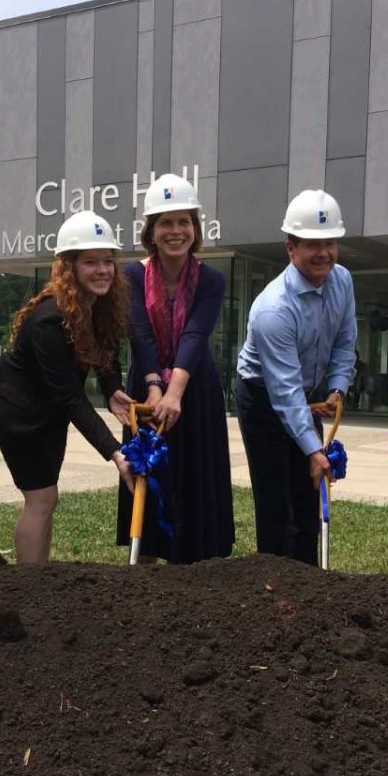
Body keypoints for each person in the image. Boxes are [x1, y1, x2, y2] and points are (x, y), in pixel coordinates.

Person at [0, 211, 135, 563]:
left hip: (47, 408)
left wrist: (112, 387)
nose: (102, 270)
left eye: (108, 262)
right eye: (91, 262)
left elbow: (104, 349)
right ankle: (30, 586)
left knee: (46, 497)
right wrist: (115, 453)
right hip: (16, 410)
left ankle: (38, 579)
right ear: (69, 267)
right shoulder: (49, 319)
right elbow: (71, 397)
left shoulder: (96, 305)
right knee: (41, 498)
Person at [116, 173, 234, 563]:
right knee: (148, 478)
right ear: (151, 230)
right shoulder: (130, 276)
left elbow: (195, 335)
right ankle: (144, 562)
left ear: (195, 228)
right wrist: (154, 388)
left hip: (195, 391)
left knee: (193, 484)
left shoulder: (211, 281)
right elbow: (140, 334)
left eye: (184, 221)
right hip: (145, 392)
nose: (176, 230)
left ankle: (193, 569)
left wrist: (174, 393)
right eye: (166, 222)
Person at [235, 190, 357, 565]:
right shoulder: (273, 309)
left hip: (307, 394)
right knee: (276, 501)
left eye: (330, 243)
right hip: (262, 398)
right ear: (291, 247)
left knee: (308, 493)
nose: (324, 253)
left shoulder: (343, 281)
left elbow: (345, 342)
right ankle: (271, 586)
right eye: (312, 244)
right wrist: (315, 450)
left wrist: (337, 387)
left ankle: (308, 583)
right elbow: (284, 393)